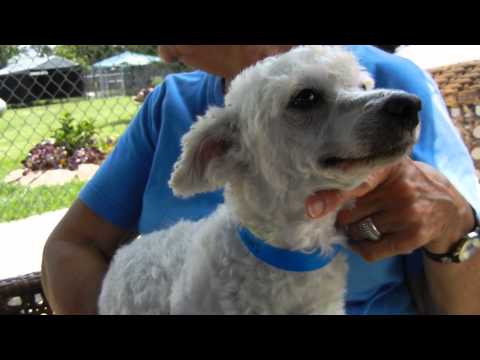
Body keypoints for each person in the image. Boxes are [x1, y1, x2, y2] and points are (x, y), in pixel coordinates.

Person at [41, 45, 480, 315]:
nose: (164, 55)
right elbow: (71, 246)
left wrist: (454, 227)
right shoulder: (170, 106)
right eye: (307, 101)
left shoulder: (394, 80)